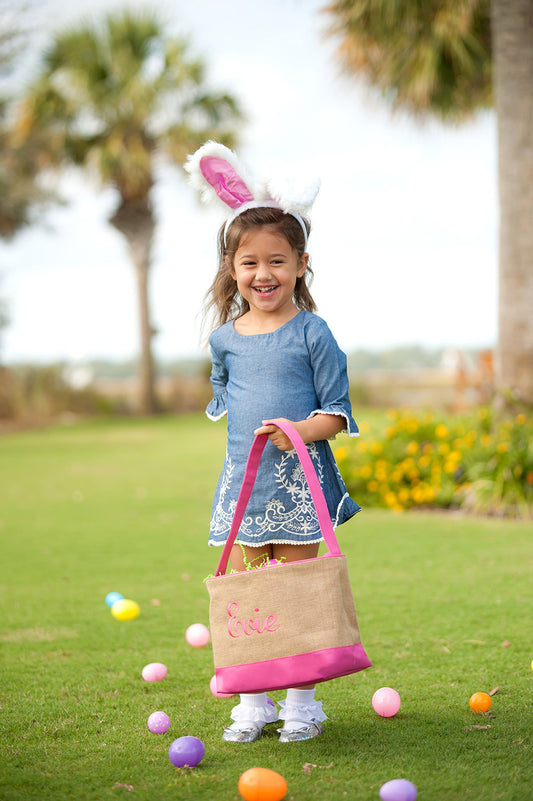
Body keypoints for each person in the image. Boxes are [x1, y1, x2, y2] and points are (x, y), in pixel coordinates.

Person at [186, 142, 360, 743]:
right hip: (244, 486)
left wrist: (297, 432)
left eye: (278, 262)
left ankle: (302, 704)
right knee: (251, 596)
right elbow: (227, 403)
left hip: (297, 484)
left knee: (297, 595)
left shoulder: (314, 332)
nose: (264, 275)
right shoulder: (225, 340)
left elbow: (337, 414)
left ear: (301, 264)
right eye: (251, 263)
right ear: (233, 270)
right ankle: (253, 702)